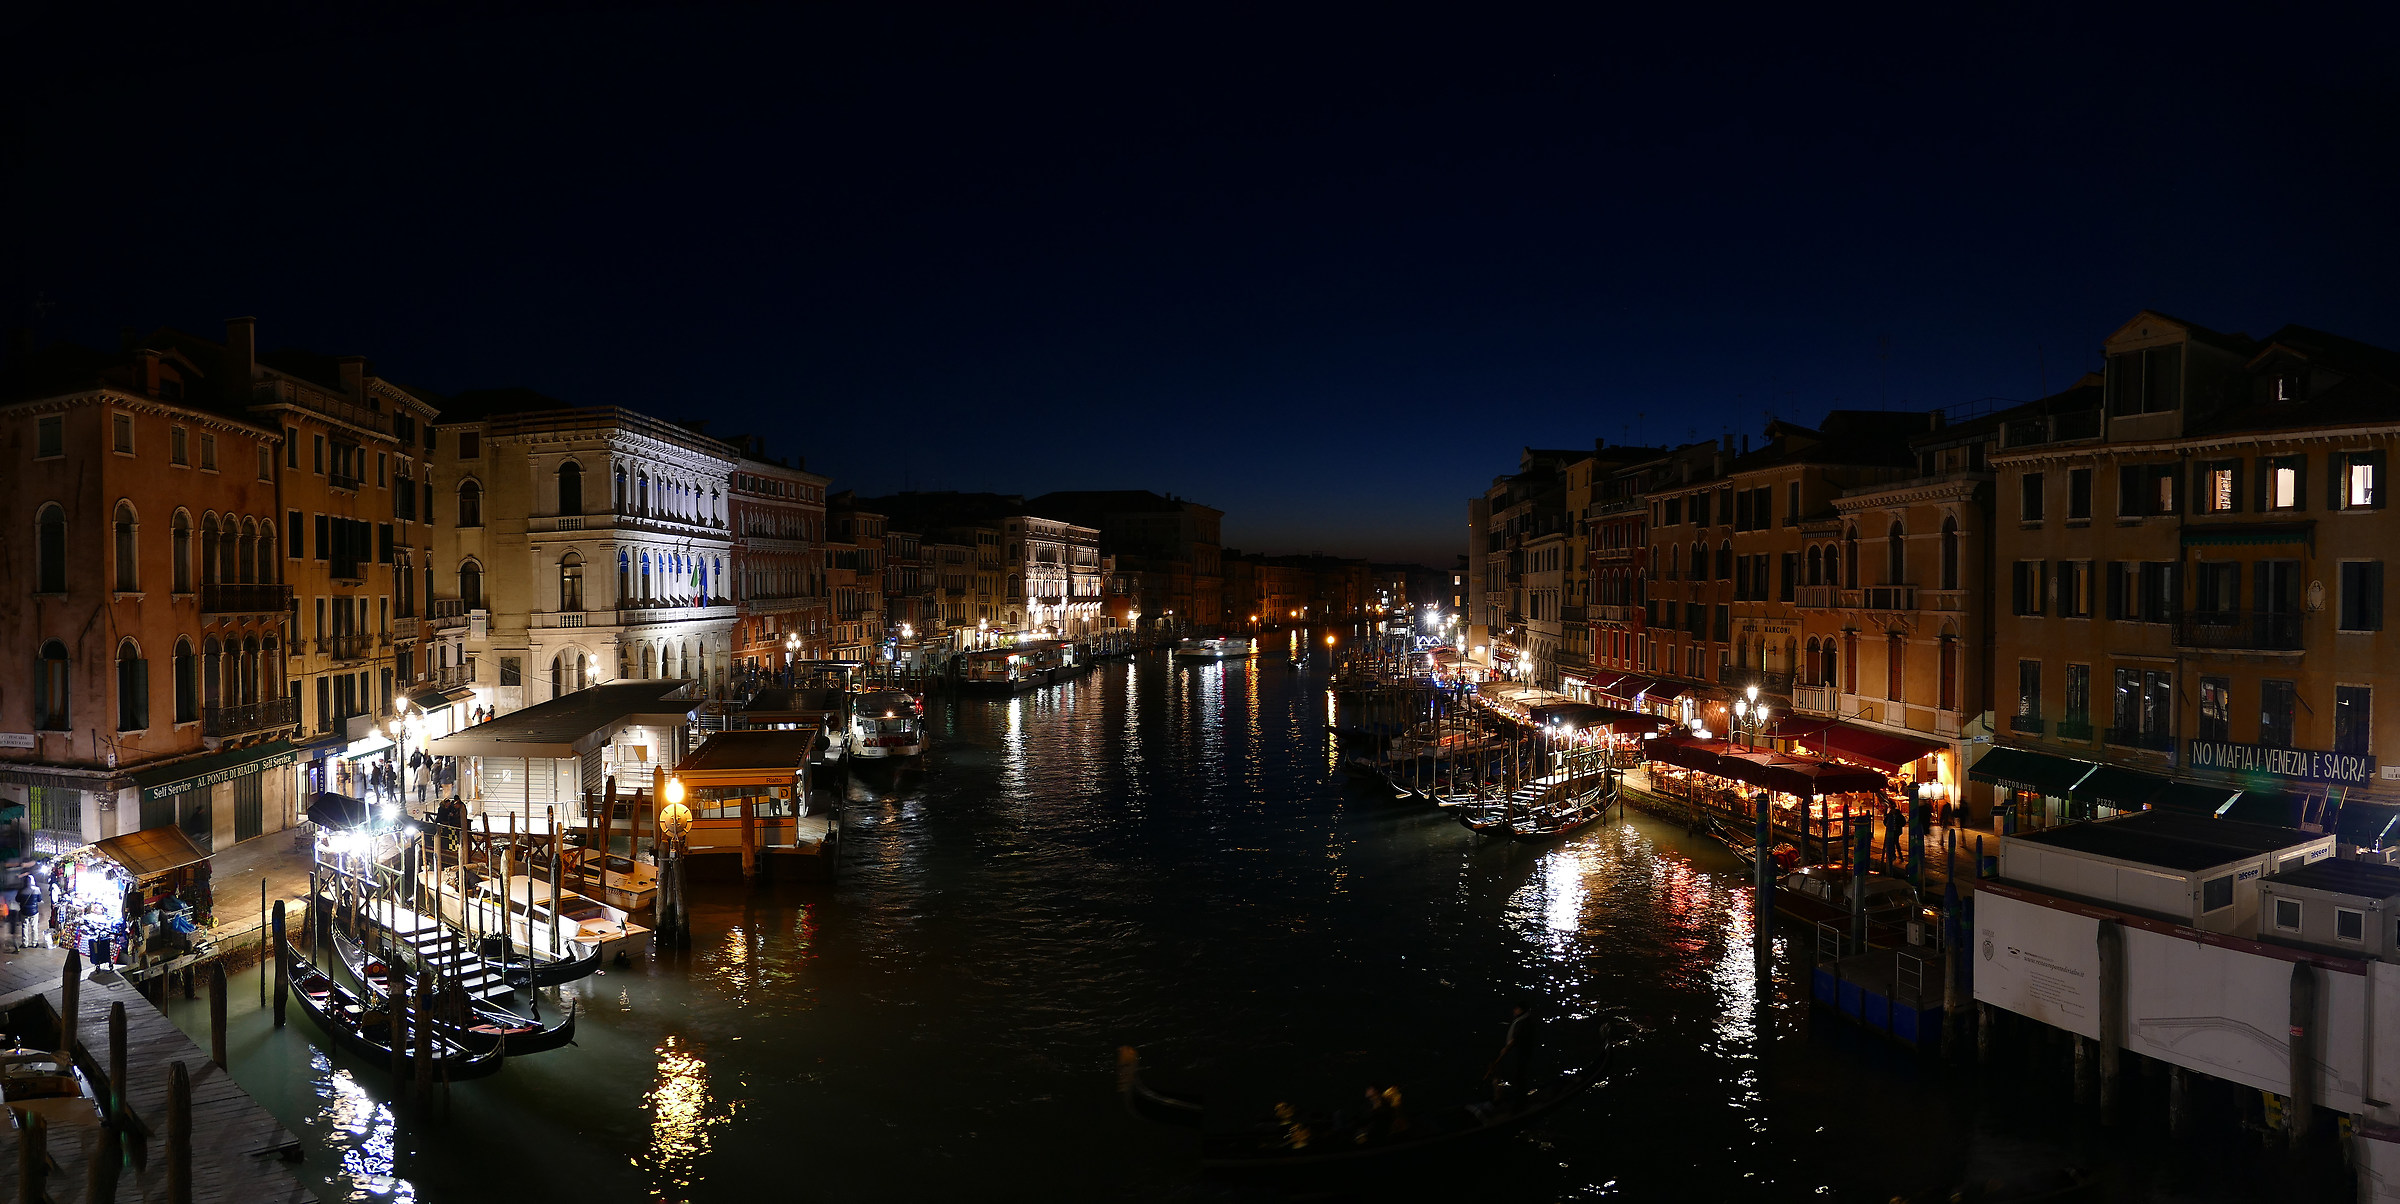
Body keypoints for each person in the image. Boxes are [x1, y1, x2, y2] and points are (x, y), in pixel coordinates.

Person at [1486, 1000, 1541, 1108]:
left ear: (1520, 1009)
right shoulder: (1525, 1021)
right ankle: (1515, 1100)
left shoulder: (1523, 1023)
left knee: (1518, 1078)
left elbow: (1516, 1038)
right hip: (1521, 1055)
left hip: (1520, 1055)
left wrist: (1506, 1049)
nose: (1513, 1011)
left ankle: (1517, 1103)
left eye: (1515, 1009)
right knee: (1518, 1078)